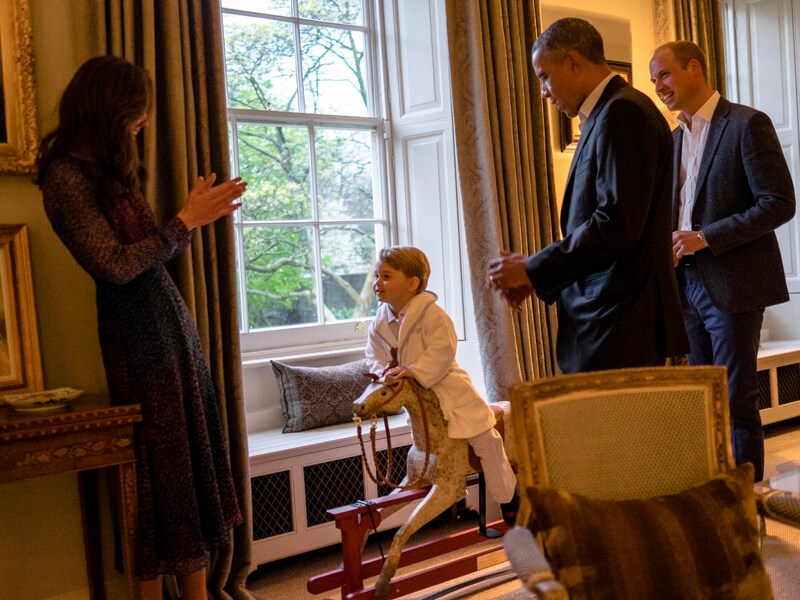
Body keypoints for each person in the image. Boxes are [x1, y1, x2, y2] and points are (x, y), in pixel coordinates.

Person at [36, 55, 246, 600]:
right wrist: (185, 221)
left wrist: (187, 220)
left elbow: (149, 254)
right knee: (159, 475)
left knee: (186, 465)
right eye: (138, 112)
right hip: (136, 337)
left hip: (167, 325)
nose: (144, 123)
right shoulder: (64, 177)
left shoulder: (113, 174)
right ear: (110, 109)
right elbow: (114, 265)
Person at [487, 18, 687, 373]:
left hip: (620, 323)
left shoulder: (623, 112)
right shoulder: (607, 114)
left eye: (544, 76)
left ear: (574, 62)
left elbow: (617, 225)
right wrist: (535, 276)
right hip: (610, 321)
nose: (544, 92)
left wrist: (533, 268)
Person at [649, 41, 795, 482]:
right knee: (705, 400)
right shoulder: (672, 139)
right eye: (654, 79)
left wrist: (706, 238)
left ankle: (746, 503)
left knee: (736, 398)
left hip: (734, 284)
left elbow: (778, 203)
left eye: (665, 75)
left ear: (694, 68)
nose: (658, 86)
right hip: (685, 285)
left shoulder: (747, 124)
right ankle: (716, 493)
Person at [367, 246, 519, 522]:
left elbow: (442, 351)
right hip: (415, 394)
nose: (378, 283)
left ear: (412, 283)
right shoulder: (379, 322)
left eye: (386, 276)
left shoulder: (433, 315)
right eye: (377, 275)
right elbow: (373, 355)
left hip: (448, 387)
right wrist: (383, 373)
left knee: (486, 440)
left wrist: (413, 371)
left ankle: (509, 497)